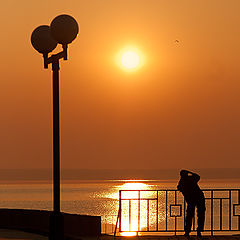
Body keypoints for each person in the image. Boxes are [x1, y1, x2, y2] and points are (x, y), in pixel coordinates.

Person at [177, 170, 205, 237]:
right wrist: (190, 172)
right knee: (199, 214)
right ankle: (198, 231)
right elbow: (197, 176)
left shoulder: (183, 181)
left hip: (193, 200)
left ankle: (188, 231)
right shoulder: (191, 179)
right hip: (197, 198)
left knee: (190, 215)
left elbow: (179, 188)